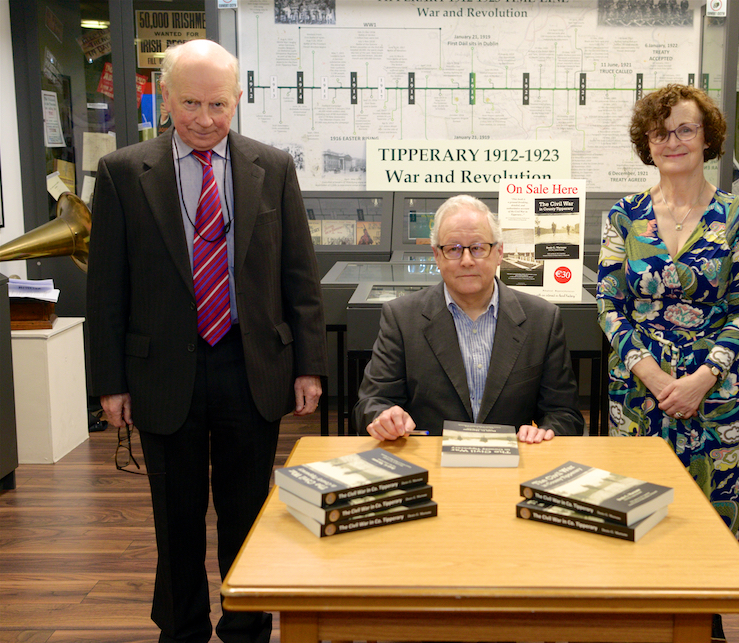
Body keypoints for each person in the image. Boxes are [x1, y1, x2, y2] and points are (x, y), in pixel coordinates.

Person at [86, 39, 326, 643]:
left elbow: (298, 274)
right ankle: (183, 628)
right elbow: (107, 290)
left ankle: (246, 628)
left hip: (253, 369)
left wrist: (309, 366)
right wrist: (109, 383)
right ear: (164, 97)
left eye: (218, 104)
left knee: (249, 513)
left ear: (238, 99)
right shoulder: (122, 173)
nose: (204, 118)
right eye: (189, 102)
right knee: (176, 518)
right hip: (164, 373)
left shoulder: (273, 168)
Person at [596, 85, 739, 639]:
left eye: (685, 129)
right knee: (634, 508)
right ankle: (637, 617)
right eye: (661, 132)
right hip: (638, 393)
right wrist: (653, 374)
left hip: (712, 395)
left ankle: (702, 622)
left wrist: (698, 380)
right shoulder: (624, 216)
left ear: (708, 137)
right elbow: (609, 305)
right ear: (648, 143)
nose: (673, 142)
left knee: (709, 510)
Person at [353, 194, 584, 443]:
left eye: (477, 248)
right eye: (453, 249)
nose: (466, 261)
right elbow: (371, 403)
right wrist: (384, 417)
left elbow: (564, 414)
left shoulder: (542, 320)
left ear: (498, 253)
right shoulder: (401, 317)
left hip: (511, 464)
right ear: (436, 256)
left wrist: (546, 431)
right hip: (428, 464)